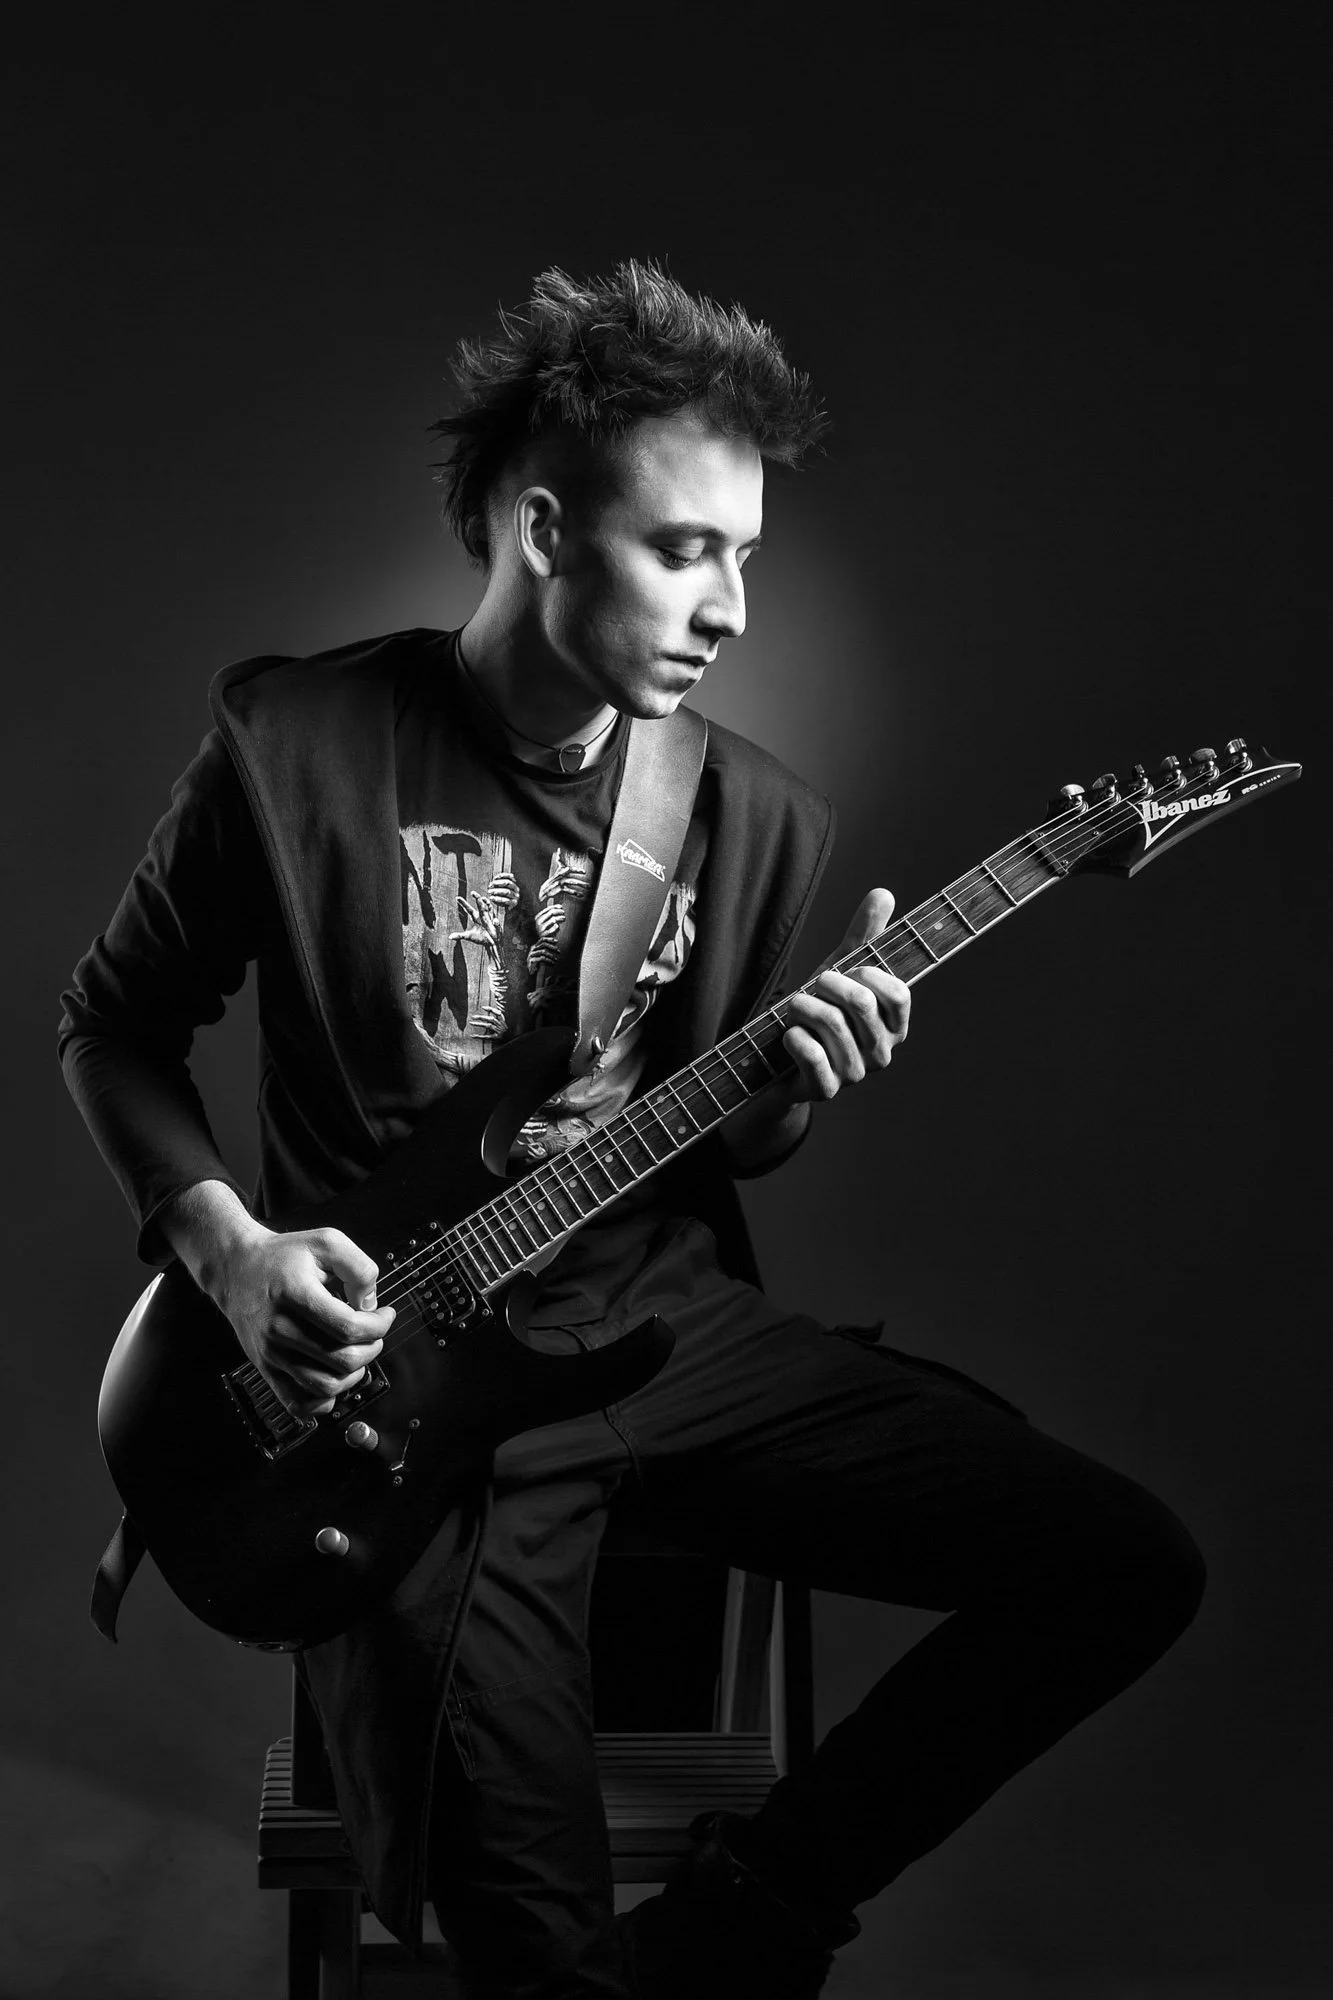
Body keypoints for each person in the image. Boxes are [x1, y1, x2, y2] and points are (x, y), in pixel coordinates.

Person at [60, 260, 1205, 2000]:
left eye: (749, 555)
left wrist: (787, 1092)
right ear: (543, 529)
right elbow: (116, 1027)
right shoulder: (295, 750)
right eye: (686, 549)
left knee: (1120, 1569)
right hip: (403, 1391)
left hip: (656, 1331)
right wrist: (229, 1251)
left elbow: (722, 1145)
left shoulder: (749, 813)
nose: (730, 606)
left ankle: (755, 1919)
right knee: (537, 1949)